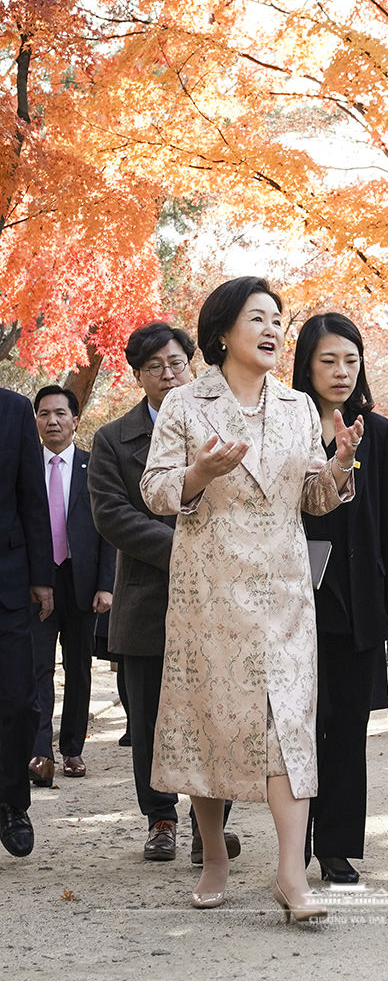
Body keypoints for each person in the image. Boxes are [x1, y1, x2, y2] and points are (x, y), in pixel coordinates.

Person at [139, 277, 361, 919]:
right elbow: (155, 491)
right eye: (257, 318)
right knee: (210, 729)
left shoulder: (297, 406)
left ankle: (292, 876)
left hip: (286, 595)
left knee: (287, 726)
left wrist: (340, 465)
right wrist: (201, 473)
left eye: (276, 320)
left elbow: (314, 500)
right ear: (222, 331)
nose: (271, 331)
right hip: (209, 593)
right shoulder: (185, 404)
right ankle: (214, 855)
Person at [89, 321, 238, 866]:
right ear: (138, 375)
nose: (170, 374)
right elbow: (111, 515)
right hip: (150, 600)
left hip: (221, 599)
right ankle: (161, 819)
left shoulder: (225, 425)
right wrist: (184, 549)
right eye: (156, 367)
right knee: (150, 716)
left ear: (192, 364)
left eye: (178, 363)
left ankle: (212, 829)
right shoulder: (112, 439)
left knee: (218, 711)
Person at [292, 313, 388, 885]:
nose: (341, 372)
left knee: (347, 729)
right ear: (306, 364)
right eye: (328, 360)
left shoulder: (375, 429)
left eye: (351, 361)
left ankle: (336, 847)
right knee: (302, 727)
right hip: (295, 598)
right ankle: (296, 844)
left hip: (358, 597)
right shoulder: (283, 421)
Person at [28, 386, 115, 786]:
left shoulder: (92, 465)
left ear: (75, 419)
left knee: (78, 670)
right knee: (37, 669)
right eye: (44, 414)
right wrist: (32, 580)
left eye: (60, 413)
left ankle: (72, 750)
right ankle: (40, 751)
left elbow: (107, 530)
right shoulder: (25, 468)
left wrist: (105, 585)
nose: (52, 421)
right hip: (38, 586)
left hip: (83, 584)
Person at [0, 387, 53, 859]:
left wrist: (42, 578)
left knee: (17, 702)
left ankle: (13, 802)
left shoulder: (14, 409)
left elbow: (32, 498)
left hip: (8, 580)